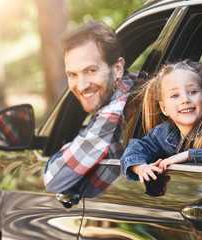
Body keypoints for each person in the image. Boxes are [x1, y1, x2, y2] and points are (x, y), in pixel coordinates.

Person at [44, 20, 135, 195]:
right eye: (72, 75)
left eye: (91, 71)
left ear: (117, 69)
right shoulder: (134, 83)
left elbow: (53, 180)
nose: (82, 85)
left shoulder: (114, 110)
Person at [120, 60, 202, 184]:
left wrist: (188, 155)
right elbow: (135, 150)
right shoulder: (163, 134)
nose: (185, 100)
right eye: (175, 96)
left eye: (192, 92)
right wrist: (141, 168)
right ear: (164, 108)